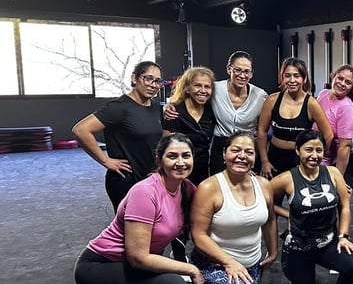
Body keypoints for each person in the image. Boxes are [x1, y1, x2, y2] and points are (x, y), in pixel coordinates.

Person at [34, 133, 203, 284]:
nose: (180, 162)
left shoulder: (186, 189)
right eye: (172, 156)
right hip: (101, 267)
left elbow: (213, 204)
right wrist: (191, 269)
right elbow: (138, 258)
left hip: (132, 270)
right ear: (159, 160)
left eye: (186, 156)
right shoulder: (145, 192)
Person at [190, 131, 278, 284]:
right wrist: (229, 262)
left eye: (249, 152)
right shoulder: (209, 187)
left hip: (250, 263)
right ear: (224, 153)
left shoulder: (263, 185)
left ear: (255, 157)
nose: (242, 156)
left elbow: (270, 219)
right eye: (235, 150)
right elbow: (198, 235)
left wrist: (272, 252)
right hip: (213, 263)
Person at [270, 130, 353, 284]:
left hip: (328, 243)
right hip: (299, 247)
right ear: (298, 151)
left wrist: (343, 236)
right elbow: (264, 202)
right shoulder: (286, 179)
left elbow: (345, 206)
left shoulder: (333, 173)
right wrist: (288, 214)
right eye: (308, 150)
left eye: (319, 150)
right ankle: (296, 282)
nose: (314, 155)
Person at [72, 61, 164, 211]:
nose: (153, 85)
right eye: (148, 78)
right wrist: (105, 161)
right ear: (134, 78)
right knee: (131, 224)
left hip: (150, 178)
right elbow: (81, 130)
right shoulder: (119, 107)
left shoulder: (155, 108)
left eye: (158, 81)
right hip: (126, 180)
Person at [165, 51, 268, 175]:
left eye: (246, 71)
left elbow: (264, 127)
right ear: (229, 69)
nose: (242, 75)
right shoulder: (215, 88)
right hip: (220, 147)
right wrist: (169, 105)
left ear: (251, 74)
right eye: (237, 70)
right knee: (218, 183)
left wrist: (259, 157)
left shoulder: (260, 96)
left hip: (247, 146)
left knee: (246, 184)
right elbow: (191, 94)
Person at [258, 58, 333, 179]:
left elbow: (328, 135)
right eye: (287, 76)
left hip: (300, 161)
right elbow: (262, 131)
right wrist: (264, 161)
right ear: (282, 78)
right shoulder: (272, 100)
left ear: (304, 78)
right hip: (274, 159)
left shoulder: (311, 104)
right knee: (272, 192)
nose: (292, 80)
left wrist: (316, 158)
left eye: (296, 76)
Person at [162, 66, 217, 185]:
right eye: (197, 85)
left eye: (207, 87)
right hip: (179, 169)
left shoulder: (212, 110)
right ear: (187, 88)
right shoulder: (174, 110)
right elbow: (165, 145)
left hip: (203, 170)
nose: (203, 90)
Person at [316, 64, 353, 189]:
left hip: (341, 161)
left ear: (351, 87)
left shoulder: (347, 108)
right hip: (321, 159)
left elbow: (344, 147)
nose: (342, 84)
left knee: (337, 196)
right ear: (333, 76)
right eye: (340, 78)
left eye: (348, 82)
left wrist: (338, 178)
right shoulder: (323, 94)